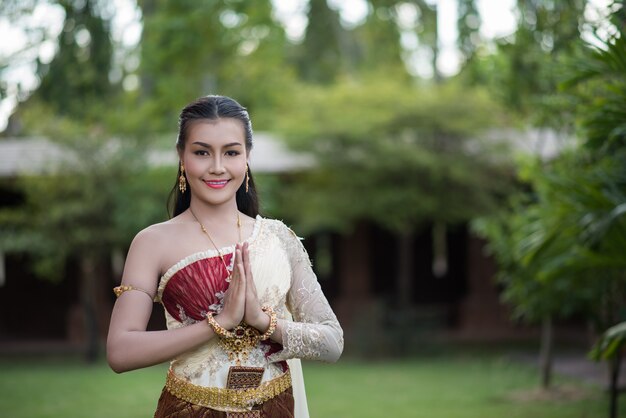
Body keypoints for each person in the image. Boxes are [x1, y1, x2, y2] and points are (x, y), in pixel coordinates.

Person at [106, 95, 344, 418]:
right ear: (181, 156)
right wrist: (217, 324)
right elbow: (120, 351)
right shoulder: (152, 243)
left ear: (247, 157)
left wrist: (264, 323)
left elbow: (332, 342)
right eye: (202, 152)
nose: (217, 167)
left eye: (231, 152)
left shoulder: (278, 240)